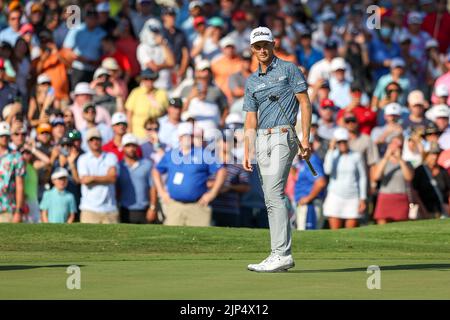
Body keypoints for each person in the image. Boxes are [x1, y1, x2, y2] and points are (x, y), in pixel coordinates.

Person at [243, 27, 312, 272]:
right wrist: (247, 149)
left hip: (285, 134)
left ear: (274, 44)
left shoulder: (289, 69)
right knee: (271, 198)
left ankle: (281, 253)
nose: (262, 50)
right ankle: (278, 253)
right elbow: (251, 118)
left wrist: (306, 138)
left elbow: (305, 102)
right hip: (261, 139)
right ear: (252, 49)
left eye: (266, 45)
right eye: (257, 46)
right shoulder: (251, 81)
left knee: (274, 192)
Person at [152, 122, 226, 227]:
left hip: (198, 206)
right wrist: (162, 192)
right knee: (171, 239)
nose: (187, 139)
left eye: (189, 136)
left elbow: (222, 171)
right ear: (179, 137)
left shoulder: (204, 154)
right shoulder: (171, 155)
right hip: (175, 205)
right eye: (184, 136)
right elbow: (156, 171)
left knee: (201, 240)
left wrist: (212, 193)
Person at [323, 127, 367, 229]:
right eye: (339, 142)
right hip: (335, 196)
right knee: (335, 233)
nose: (342, 144)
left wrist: (362, 198)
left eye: (344, 141)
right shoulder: (332, 155)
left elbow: (362, 177)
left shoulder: (356, 156)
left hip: (353, 197)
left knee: (350, 234)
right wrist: (331, 148)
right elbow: (327, 170)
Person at [77, 127, 119, 224]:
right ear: (88, 142)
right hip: (89, 208)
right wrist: (105, 178)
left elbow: (112, 178)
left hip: (109, 208)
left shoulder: (110, 156)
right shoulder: (83, 159)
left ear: (101, 141)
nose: (95, 142)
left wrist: (93, 178)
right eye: (92, 139)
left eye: (97, 139)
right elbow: (85, 180)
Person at [372, 135, 414, 224]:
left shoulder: (407, 163)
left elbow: (409, 177)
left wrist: (400, 159)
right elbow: (376, 177)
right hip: (385, 197)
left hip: (401, 197)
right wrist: (386, 157)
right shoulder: (382, 161)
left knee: (401, 228)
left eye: (398, 145)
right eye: (393, 143)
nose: (395, 147)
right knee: (382, 228)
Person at [210, 135, 250, 227]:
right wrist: (217, 186)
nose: (227, 144)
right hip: (210, 206)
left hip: (230, 209)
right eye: (224, 141)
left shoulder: (239, 163)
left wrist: (229, 187)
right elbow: (199, 181)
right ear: (218, 143)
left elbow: (246, 187)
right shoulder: (209, 161)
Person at [117, 133, 156, 224]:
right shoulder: (119, 166)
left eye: (133, 145)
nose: (131, 149)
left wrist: (152, 207)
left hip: (144, 210)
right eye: (128, 146)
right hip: (124, 209)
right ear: (123, 147)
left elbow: (153, 187)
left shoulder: (147, 164)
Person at [125, 68, 168, 139]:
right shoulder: (136, 92)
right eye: (146, 79)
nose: (149, 81)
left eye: (151, 79)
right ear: (142, 80)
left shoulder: (161, 93)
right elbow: (129, 113)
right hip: (138, 133)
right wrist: (129, 131)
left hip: (156, 133)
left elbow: (166, 112)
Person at [413, 142, 450, 219]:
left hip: (443, 211)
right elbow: (415, 193)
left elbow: (448, 191)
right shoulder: (420, 171)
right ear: (426, 155)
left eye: (437, 154)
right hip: (424, 211)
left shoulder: (443, 171)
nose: (435, 157)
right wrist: (423, 210)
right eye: (432, 154)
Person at [294, 149, 327, 230]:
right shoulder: (303, 161)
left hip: (310, 205)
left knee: (307, 236)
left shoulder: (311, 160)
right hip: (306, 205)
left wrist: (308, 198)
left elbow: (321, 182)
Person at [0, 121, 25, 223]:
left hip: (8, 208)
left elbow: (20, 185)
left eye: (6, 135)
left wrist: (18, 211)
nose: (4, 138)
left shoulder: (16, 156)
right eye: (1, 136)